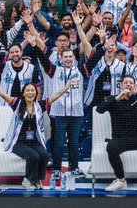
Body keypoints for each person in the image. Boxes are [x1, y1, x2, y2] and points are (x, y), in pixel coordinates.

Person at [0, 78, 53, 190]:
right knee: (33, 156)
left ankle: (37, 180)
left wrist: (67, 86)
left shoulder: (39, 106)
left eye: (33, 90)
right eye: (28, 91)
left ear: (36, 93)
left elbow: (56, 96)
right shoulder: (17, 103)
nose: (30, 93)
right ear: (23, 93)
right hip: (17, 141)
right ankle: (27, 180)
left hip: (33, 141)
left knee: (44, 155)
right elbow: (1, 93)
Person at [44, 48, 86, 177]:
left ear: (74, 58)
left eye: (70, 57)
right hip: (60, 112)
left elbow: (92, 59)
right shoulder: (55, 71)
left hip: (76, 114)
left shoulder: (80, 71)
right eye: (65, 57)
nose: (68, 59)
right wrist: (36, 45)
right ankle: (57, 169)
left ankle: (74, 167)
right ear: (61, 59)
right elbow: (43, 59)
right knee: (59, 142)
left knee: (74, 142)